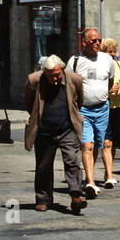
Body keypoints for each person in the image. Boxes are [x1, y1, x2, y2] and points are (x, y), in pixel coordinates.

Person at [24, 55, 87, 214]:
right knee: (43, 166)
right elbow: (28, 103)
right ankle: (43, 199)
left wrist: (73, 118)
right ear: (44, 72)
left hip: (67, 129)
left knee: (72, 161)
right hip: (44, 130)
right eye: (51, 75)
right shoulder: (34, 80)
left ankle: (76, 196)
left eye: (58, 75)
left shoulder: (74, 79)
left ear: (63, 70)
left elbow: (78, 101)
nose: (55, 78)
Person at [69, 27, 117, 195]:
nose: (97, 43)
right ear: (84, 42)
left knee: (101, 143)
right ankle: (90, 182)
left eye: (99, 40)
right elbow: (68, 86)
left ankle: (102, 176)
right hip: (84, 110)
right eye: (93, 41)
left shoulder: (107, 60)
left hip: (103, 109)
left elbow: (110, 81)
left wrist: (102, 95)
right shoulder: (75, 61)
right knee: (87, 145)